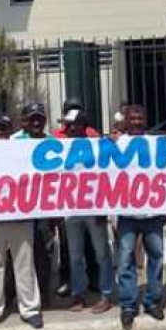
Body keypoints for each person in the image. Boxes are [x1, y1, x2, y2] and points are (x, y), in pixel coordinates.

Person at [0, 114, 44, 330]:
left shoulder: (22, 152)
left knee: (24, 265)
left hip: (20, 218)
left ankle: (30, 309)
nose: (2, 132)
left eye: (5, 128)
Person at [113, 104, 166, 330]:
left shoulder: (157, 144)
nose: (136, 122)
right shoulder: (116, 143)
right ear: (125, 120)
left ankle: (153, 301)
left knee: (156, 256)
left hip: (153, 212)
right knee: (125, 259)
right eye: (132, 118)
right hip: (127, 213)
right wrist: (110, 143)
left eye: (140, 118)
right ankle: (128, 305)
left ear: (145, 120)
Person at [59, 111, 115, 313]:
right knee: (75, 256)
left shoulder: (98, 146)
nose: (72, 129)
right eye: (69, 126)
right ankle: (78, 294)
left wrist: (104, 208)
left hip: (94, 209)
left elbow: (110, 172)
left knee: (102, 254)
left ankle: (106, 294)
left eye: (76, 125)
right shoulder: (60, 148)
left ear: (85, 126)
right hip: (71, 210)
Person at [12, 102, 60, 304]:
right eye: (32, 118)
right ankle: (14, 295)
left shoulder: (53, 141)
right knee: (17, 254)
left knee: (43, 254)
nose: (36, 122)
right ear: (24, 121)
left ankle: (44, 295)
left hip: (44, 208)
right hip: (18, 208)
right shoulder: (12, 141)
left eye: (40, 118)